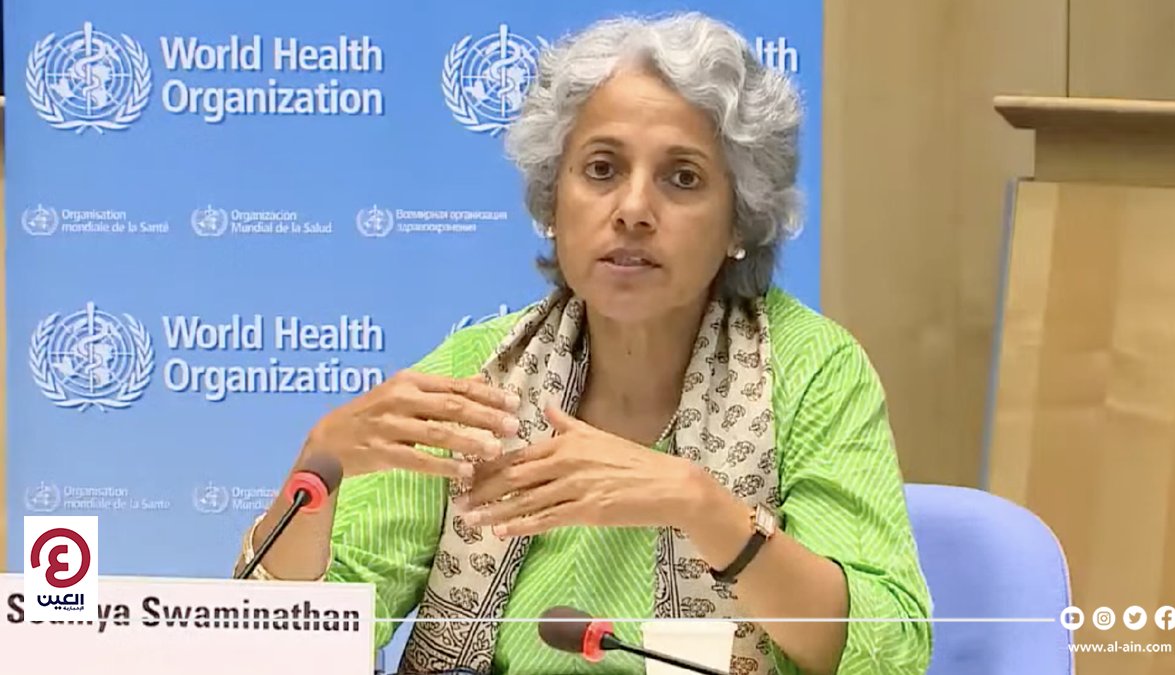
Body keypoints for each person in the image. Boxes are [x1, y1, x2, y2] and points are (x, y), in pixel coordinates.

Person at [236, 11, 933, 675]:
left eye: (682, 178)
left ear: (739, 222)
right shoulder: (475, 375)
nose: (633, 209)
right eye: (602, 169)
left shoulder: (812, 370)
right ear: (552, 202)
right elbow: (277, 649)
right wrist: (314, 473)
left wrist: (702, 507)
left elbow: (889, 649)